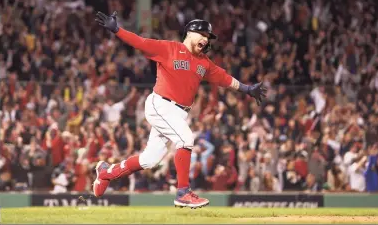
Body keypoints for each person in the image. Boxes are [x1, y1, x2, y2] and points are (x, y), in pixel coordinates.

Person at [92, 11, 267, 208]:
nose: (206, 40)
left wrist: (246, 88)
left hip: (178, 112)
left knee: (150, 160)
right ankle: (183, 192)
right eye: (203, 35)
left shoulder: (204, 63)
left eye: (208, 38)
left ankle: (107, 173)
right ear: (191, 33)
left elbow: (224, 78)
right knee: (185, 139)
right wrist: (117, 30)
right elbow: (140, 43)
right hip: (160, 104)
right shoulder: (169, 48)